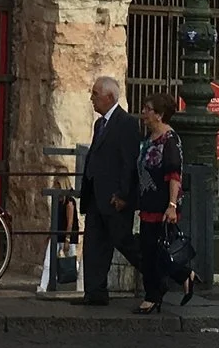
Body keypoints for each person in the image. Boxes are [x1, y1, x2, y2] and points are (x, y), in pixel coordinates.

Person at [76, 74, 138, 308]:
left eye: (95, 94)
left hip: (114, 197)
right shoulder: (100, 124)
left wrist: (124, 194)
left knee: (125, 243)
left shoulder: (126, 123)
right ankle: (95, 292)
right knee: (93, 245)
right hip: (95, 195)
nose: (92, 99)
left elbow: (128, 162)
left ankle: (159, 277)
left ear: (110, 97)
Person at [131, 97, 188, 314]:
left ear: (159, 114)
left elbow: (174, 174)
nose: (143, 113)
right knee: (148, 250)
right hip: (147, 201)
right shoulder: (148, 138)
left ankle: (152, 296)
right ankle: (183, 276)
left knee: (156, 251)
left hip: (163, 204)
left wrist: (172, 205)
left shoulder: (169, 140)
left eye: (148, 109)